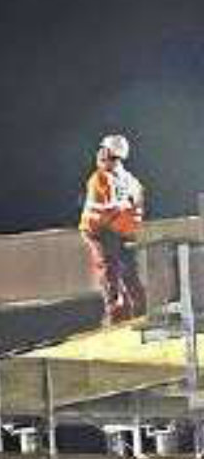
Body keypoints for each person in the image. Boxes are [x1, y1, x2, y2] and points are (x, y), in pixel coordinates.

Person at [80, 133, 147, 323]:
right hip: (110, 230)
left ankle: (122, 313)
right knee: (121, 270)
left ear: (112, 155)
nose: (99, 155)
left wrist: (125, 218)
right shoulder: (128, 180)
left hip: (106, 230)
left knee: (114, 270)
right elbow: (129, 207)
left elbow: (109, 210)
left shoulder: (104, 179)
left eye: (104, 151)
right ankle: (130, 311)